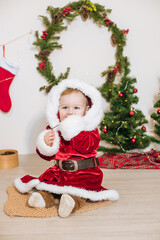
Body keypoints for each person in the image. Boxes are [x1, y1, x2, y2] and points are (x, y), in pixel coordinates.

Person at [14, 79, 119, 218]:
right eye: (65, 108)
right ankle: (43, 198)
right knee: (48, 185)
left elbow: (88, 146)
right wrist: (46, 143)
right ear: (57, 108)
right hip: (59, 172)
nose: (70, 112)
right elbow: (47, 156)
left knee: (79, 192)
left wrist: (74, 130)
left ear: (86, 110)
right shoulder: (55, 128)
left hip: (84, 173)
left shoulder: (88, 129)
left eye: (76, 108)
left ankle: (71, 202)